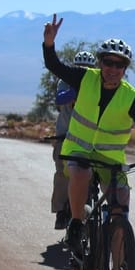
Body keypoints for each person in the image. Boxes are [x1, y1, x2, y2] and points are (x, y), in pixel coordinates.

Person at [42, 14, 135, 258]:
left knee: (120, 211)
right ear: (100, 63)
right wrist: (49, 45)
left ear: (125, 68)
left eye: (119, 65)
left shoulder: (131, 96)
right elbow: (54, 67)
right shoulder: (85, 78)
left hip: (111, 159)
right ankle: (77, 224)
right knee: (79, 173)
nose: (113, 69)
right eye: (108, 62)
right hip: (79, 150)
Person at [50, 51, 96, 229]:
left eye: (88, 68)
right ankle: (61, 211)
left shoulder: (98, 84)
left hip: (89, 137)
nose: (84, 71)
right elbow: (60, 98)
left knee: (94, 172)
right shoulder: (64, 81)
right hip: (65, 135)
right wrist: (77, 89)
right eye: (80, 68)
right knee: (62, 173)